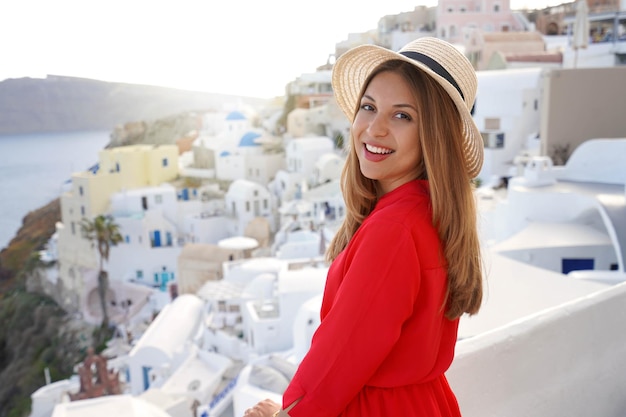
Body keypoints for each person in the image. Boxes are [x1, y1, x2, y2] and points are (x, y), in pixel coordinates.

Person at [244, 36, 484, 417]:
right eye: (368, 107)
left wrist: (286, 414)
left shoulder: (393, 229)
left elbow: (342, 354)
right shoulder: (428, 214)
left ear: (434, 135)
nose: (374, 128)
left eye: (402, 115)